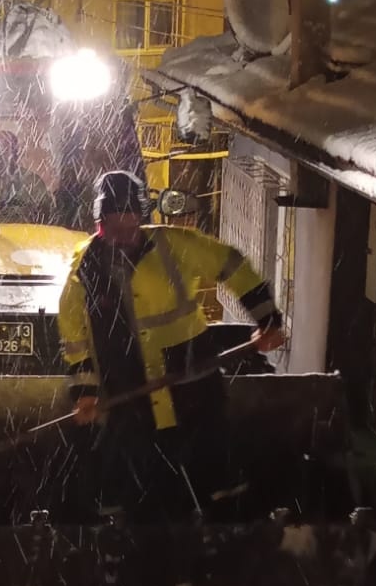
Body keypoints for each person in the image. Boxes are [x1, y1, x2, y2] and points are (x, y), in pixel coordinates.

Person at [56, 169, 286, 519]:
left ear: (142, 220)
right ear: (98, 225)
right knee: (141, 481)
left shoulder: (175, 246)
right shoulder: (82, 273)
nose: (121, 237)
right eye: (112, 228)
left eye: (129, 227)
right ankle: (141, 538)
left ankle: (220, 530)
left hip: (191, 379)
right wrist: (85, 393)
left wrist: (268, 320)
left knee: (212, 473)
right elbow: (75, 339)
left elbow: (231, 266)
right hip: (129, 388)